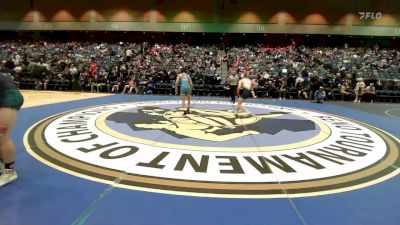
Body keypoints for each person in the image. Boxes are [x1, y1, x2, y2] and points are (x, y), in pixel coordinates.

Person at [0, 73, 24, 186]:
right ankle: (2, 164)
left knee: (2, 136)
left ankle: (9, 172)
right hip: (4, 95)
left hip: (9, 96)